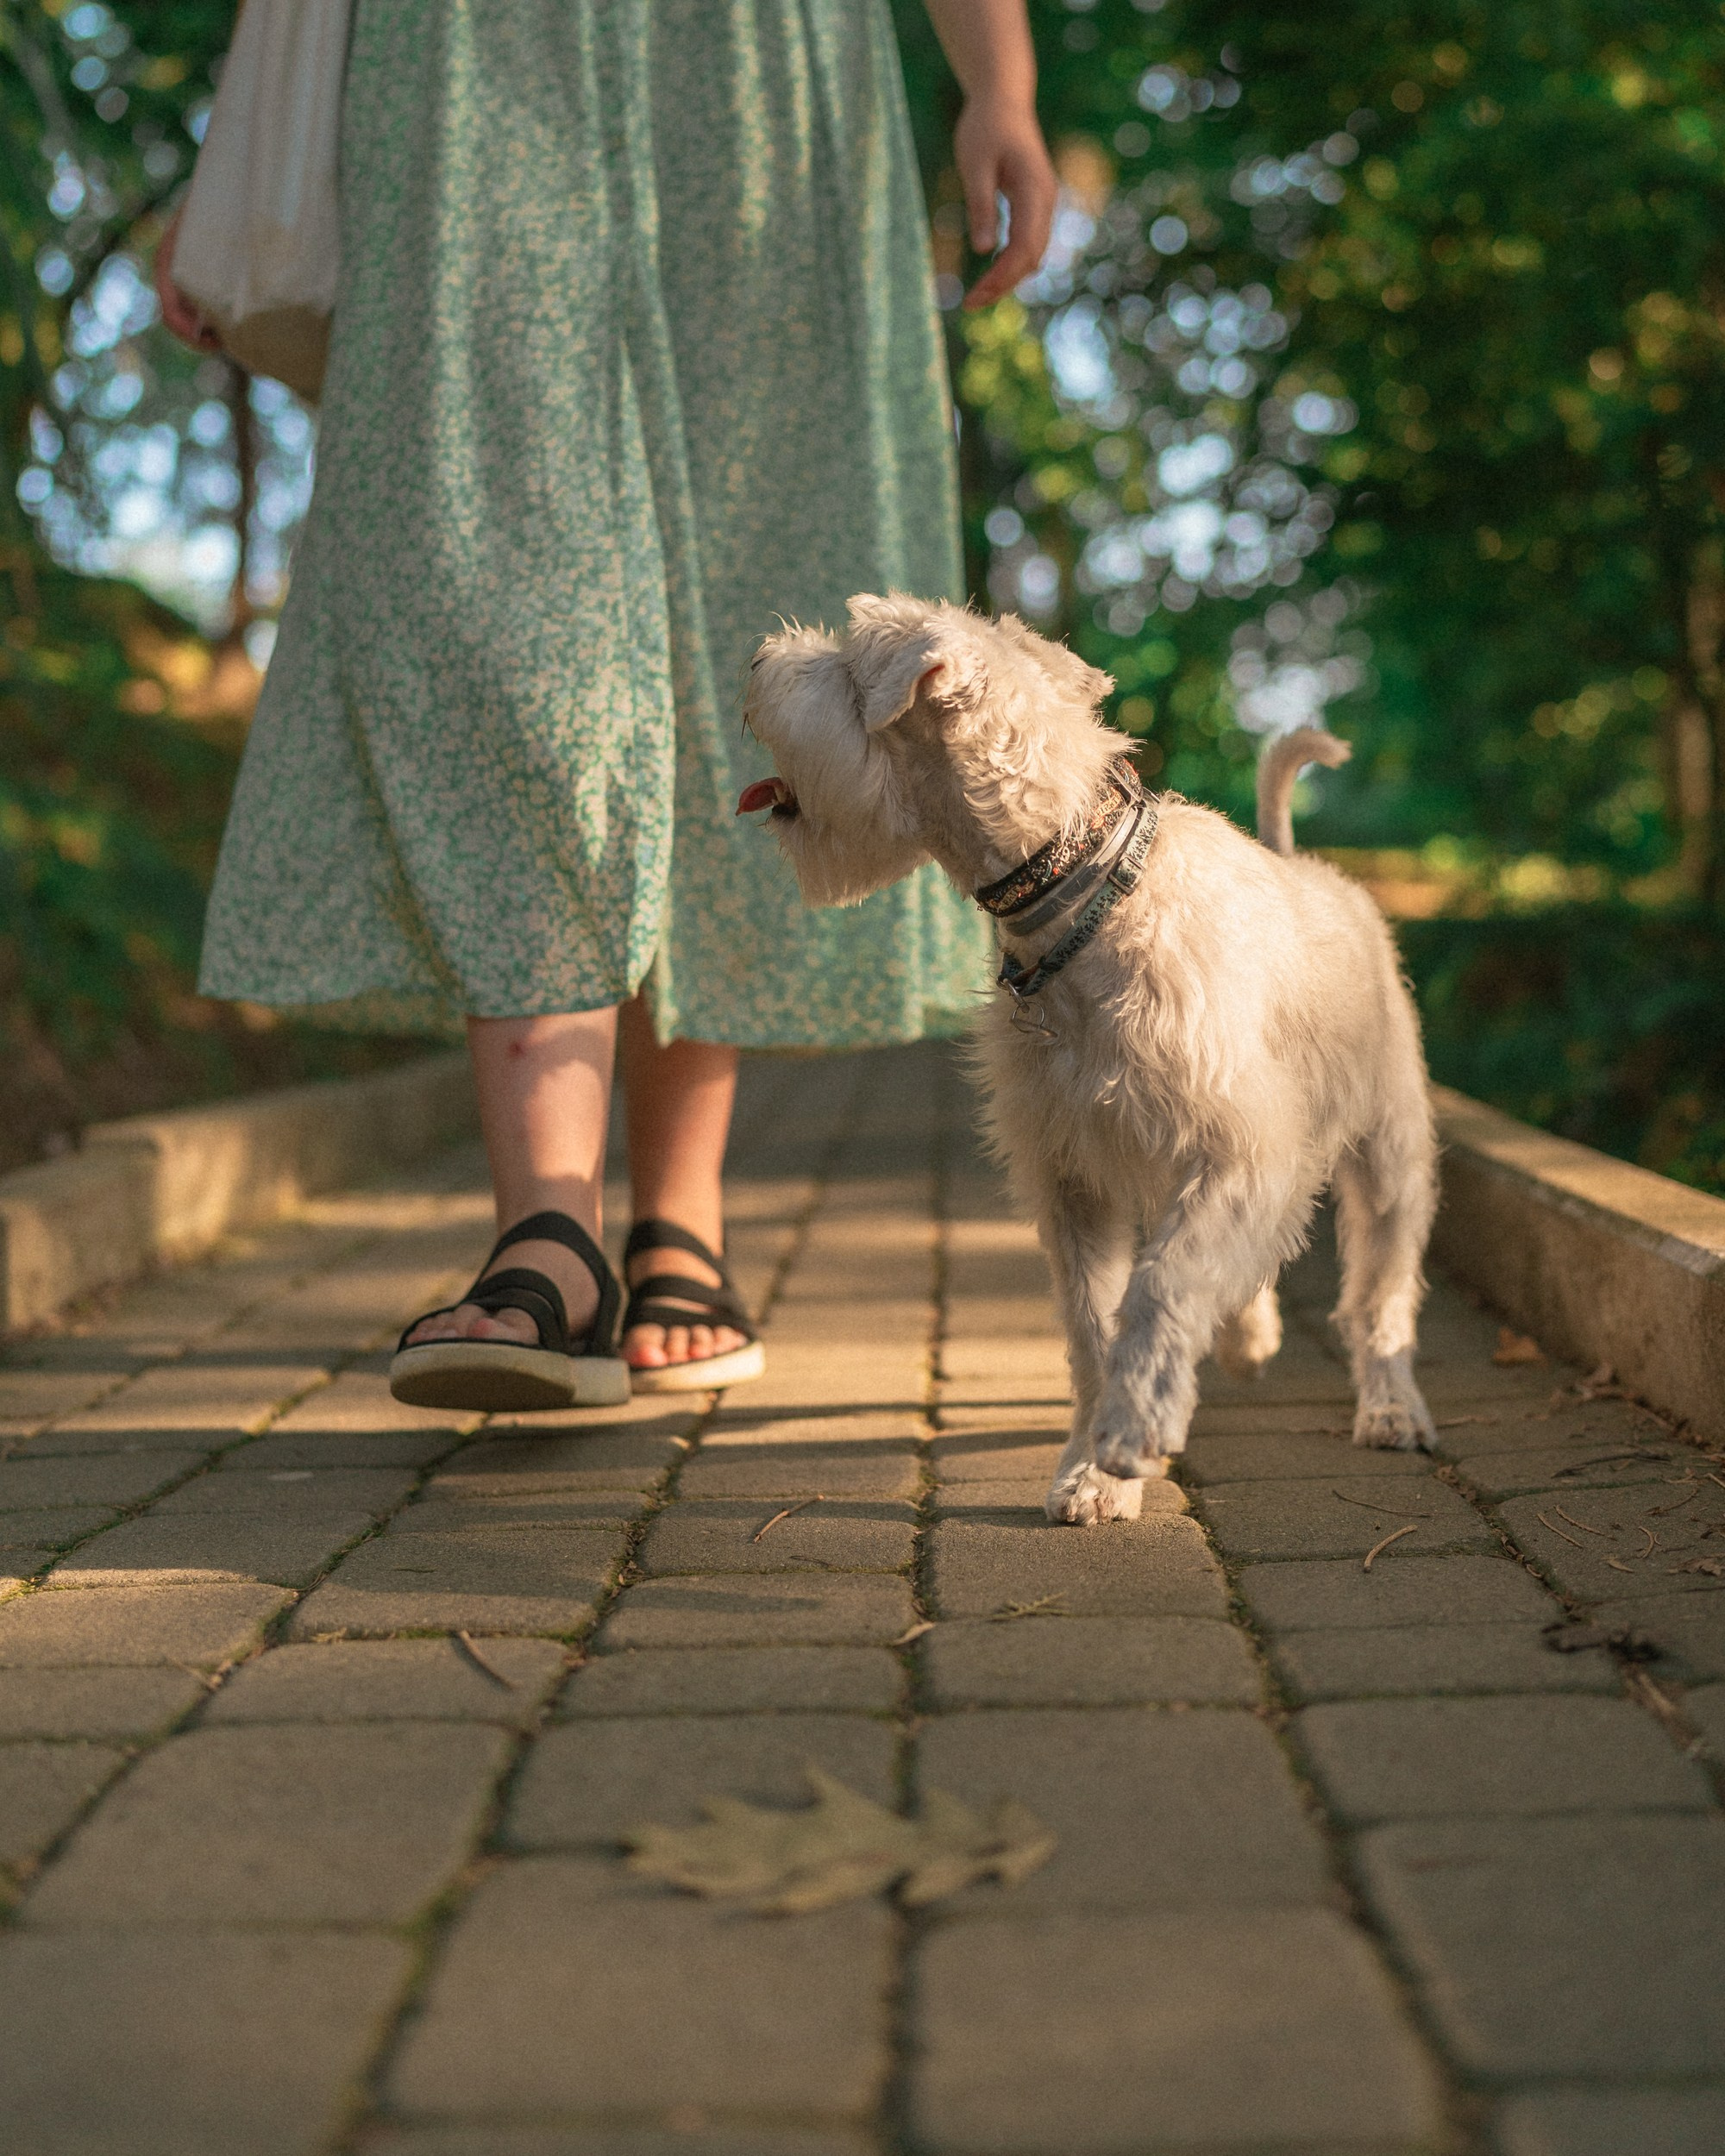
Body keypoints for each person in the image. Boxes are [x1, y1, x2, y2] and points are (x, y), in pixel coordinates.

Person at [159, 0, 1056, 1410]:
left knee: (744, 636)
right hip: (465, 68)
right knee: (502, 622)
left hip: (766, 76)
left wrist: (997, 83)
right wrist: (240, 164)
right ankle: (550, 1229)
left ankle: (677, 1218)